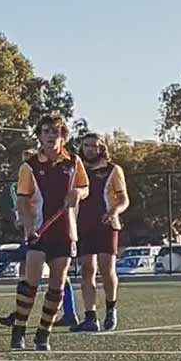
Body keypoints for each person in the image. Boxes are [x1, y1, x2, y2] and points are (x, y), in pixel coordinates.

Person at [8, 113, 88, 351]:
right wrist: (28, 226)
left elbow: (84, 187)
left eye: (56, 131)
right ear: (40, 136)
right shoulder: (29, 166)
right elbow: (22, 200)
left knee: (57, 285)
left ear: (63, 135)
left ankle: (43, 335)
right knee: (30, 283)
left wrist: (77, 194)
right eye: (46, 131)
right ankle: (18, 332)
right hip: (39, 232)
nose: (51, 136)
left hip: (65, 231)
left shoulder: (73, 162)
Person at [71, 132, 129, 332]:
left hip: (106, 225)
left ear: (101, 147)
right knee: (87, 269)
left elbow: (123, 199)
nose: (90, 149)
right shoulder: (76, 170)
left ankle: (111, 308)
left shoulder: (113, 170)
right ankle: (90, 317)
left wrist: (114, 211)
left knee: (106, 268)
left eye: (94, 146)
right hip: (83, 225)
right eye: (86, 145)